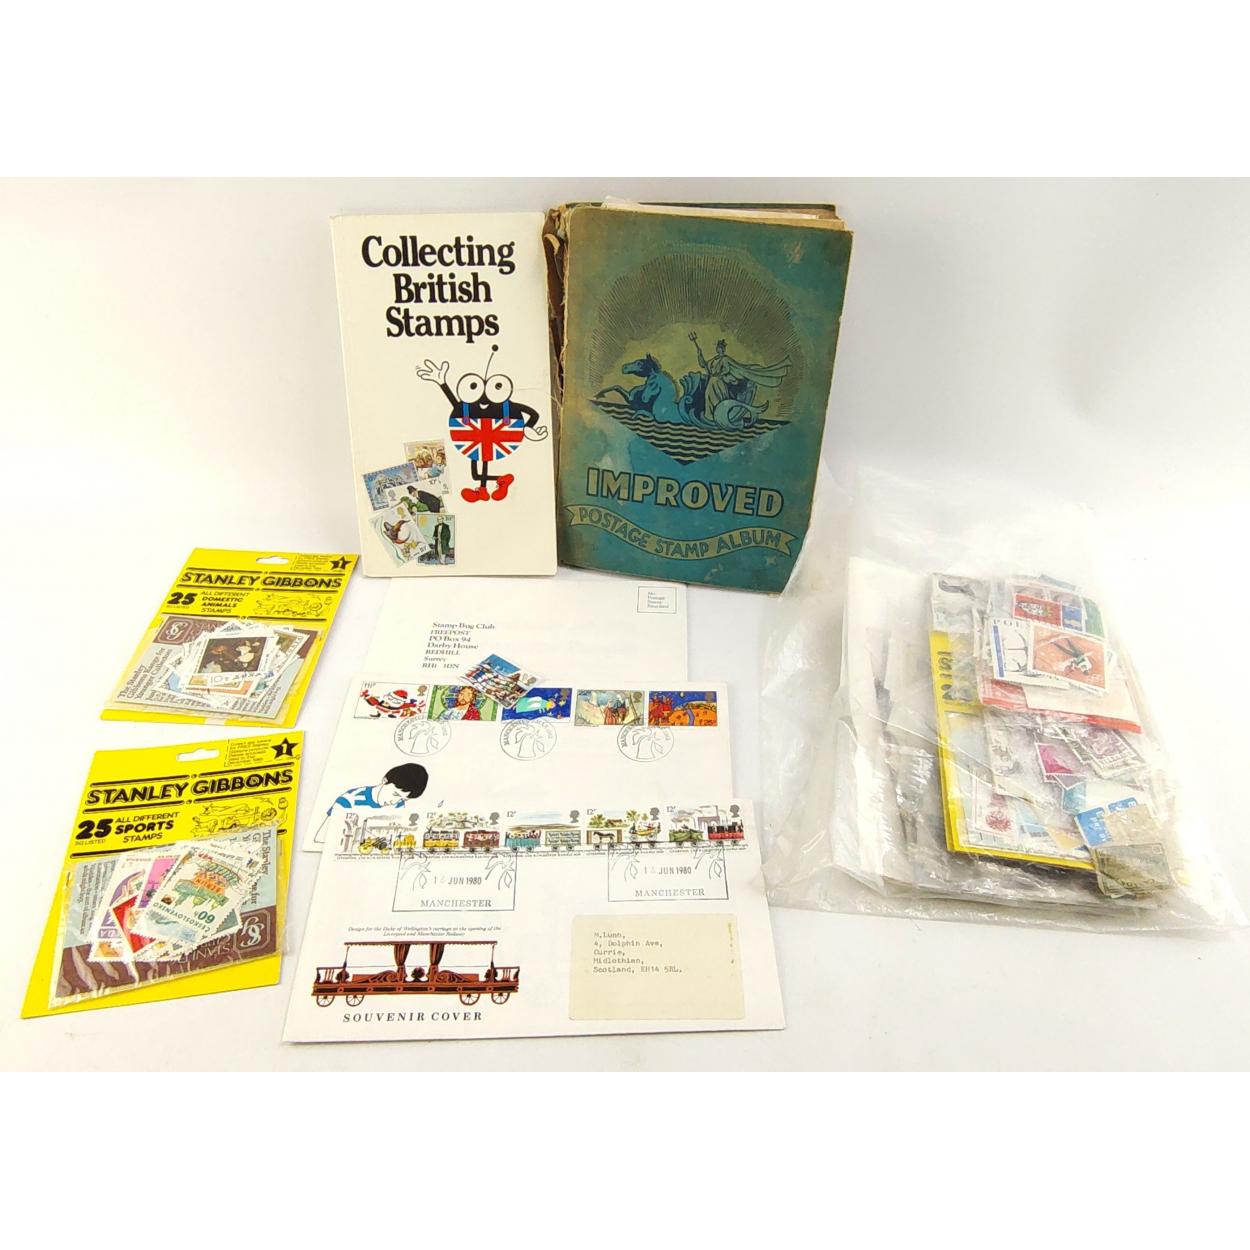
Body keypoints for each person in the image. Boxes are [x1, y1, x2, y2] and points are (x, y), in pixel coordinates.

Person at [316, 762, 429, 844]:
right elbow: (321, 838)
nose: (394, 802)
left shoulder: (398, 805)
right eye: (395, 794)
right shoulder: (349, 800)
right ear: (385, 781)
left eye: (402, 799)